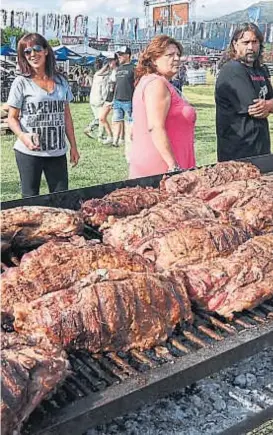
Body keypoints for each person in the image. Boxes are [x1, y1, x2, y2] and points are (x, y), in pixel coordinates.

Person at [7, 32, 80, 198]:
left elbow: (66, 116)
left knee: (61, 198)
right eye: (27, 52)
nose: (33, 54)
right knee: (31, 198)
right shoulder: (21, 82)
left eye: (37, 49)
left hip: (57, 151)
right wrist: (23, 136)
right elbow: (11, 118)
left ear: (46, 51)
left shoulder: (61, 81)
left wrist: (73, 146)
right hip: (29, 152)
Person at [130, 35, 196, 179]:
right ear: (154, 60)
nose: (177, 58)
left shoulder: (152, 82)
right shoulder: (156, 84)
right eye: (170, 55)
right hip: (162, 167)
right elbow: (155, 127)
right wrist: (173, 166)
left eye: (178, 54)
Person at [215, 23, 273, 162]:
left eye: (254, 42)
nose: (250, 47)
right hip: (238, 152)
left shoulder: (260, 69)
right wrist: (269, 105)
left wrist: (269, 104)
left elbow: (269, 101)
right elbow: (256, 108)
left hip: (261, 148)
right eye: (245, 42)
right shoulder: (233, 70)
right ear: (235, 44)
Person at [112, 46, 135, 147]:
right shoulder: (119, 69)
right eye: (119, 55)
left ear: (128, 55)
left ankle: (131, 141)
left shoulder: (134, 68)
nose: (119, 56)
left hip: (129, 100)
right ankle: (115, 141)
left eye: (121, 54)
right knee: (117, 120)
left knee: (131, 122)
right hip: (117, 100)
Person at [84, 58, 109, 141]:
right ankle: (98, 134)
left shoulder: (95, 75)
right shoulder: (104, 76)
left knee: (98, 118)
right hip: (99, 100)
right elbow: (105, 90)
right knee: (101, 118)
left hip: (92, 99)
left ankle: (99, 134)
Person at [99, 53, 119, 145]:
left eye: (111, 60)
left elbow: (118, 87)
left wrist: (114, 100)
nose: (110, 62)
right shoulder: (111, 71)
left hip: (114, 98)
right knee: (102, 117)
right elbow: (99, 73)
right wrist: (107, 65)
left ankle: (116, 138)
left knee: (116, 119)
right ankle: (110, 136)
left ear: (116, 60)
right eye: (109, 60)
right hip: (108, 97)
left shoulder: (118, 71)